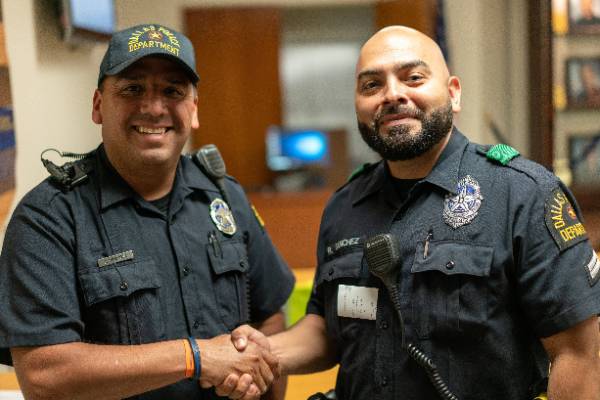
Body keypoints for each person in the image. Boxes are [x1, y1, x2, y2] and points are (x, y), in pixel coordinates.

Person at [225, 25, 600, 400]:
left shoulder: (522, 193)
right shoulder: (344, 206)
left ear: (453, 93)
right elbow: (327, 329)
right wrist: (263, 352)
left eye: (413, 78)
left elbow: (580, 353)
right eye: (371, 86)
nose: (392, 95)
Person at [0, 23, 295, 400]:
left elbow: (270, 315)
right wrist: (195, 357)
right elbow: (44, 375)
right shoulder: (48, 217)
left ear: (194, 109)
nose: (154, 108)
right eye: (132, 89)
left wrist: (258, 379)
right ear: (97, 105)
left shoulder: (225, 196)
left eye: (172, 91)